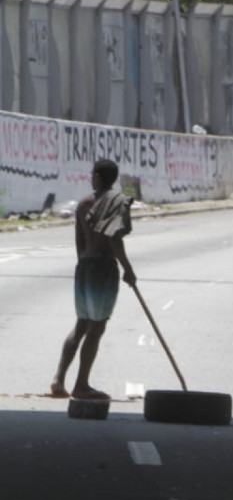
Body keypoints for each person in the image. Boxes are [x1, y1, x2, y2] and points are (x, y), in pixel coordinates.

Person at [49, 159, 136, 400]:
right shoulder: (117, 202)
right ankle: (81, 385)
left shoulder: (83, 204)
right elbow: (115, 240)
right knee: (96, 327)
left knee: (81, 324)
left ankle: (59, 379)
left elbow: (79, 241)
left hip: (85, 265)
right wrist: (127, 269)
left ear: (97, 177)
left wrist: (84, 264)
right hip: (103, 267)